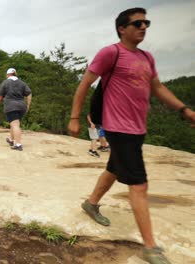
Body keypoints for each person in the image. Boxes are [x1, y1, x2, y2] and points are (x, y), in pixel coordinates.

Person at [68, 8, 195, 264]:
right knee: (139, 184)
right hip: (118, 126)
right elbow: (85, 83)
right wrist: (74, 117)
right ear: (121, 28)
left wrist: (184, 110)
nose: (143, 27)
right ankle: (150, 248)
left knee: (115, 168)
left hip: (137, 127)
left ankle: (91, 203)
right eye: (137, 23)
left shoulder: (147, 58)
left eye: (146, 22)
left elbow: (157, 88)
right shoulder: (110, 53)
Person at [0, 68, 32, 151]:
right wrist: (28, 105)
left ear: (8, 74)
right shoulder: (22, 83)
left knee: (15, 125)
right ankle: (11, 140)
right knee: (14, 123)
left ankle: (18, 144)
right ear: (15, 74)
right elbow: (29, 93)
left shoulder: (6, 82)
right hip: (21, 106)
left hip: (11, 106)